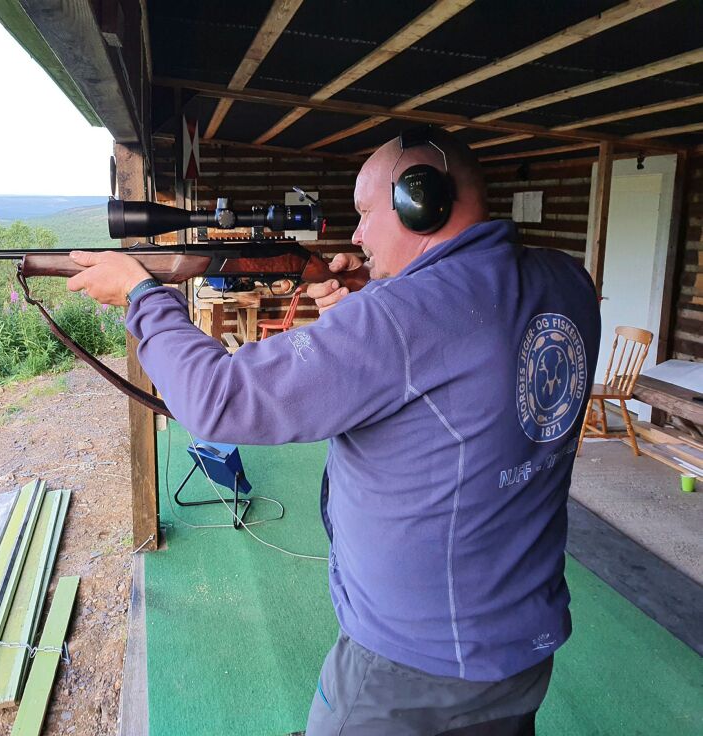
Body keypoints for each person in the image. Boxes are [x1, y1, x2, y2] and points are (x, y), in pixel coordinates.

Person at [66, 126, 600, 735]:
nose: (360, 235)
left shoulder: (401, 317)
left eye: (369, 214)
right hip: (523, 643)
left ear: (420, 202)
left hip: (411, 663)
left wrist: (141, 295)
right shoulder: (568, 282)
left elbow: (218, 400)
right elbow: (461, 362)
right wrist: (375, 296)